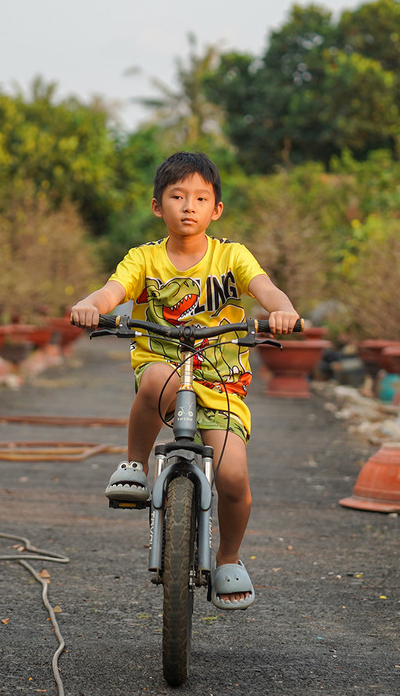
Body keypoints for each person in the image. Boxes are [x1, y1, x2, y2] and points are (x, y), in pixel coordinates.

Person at [70, 151, 300, 609]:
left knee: (234, 478)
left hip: (221, 378)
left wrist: (283, 309)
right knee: (158, 378)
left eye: (200, 197)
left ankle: (229, 557)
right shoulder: (144, 259)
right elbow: (112, 290)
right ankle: (136, 465)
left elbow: (265, 287)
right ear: (158, 206)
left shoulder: (231, 255)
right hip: (162, 364)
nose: (188, 206)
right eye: (177, 196)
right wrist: (92, 304)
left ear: (216, 209)